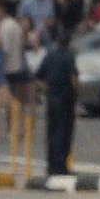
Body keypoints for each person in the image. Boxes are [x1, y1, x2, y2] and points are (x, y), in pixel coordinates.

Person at [39, 20, 78, 176]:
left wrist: (47, 89)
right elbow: (73, 77)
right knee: (64, 133)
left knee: (52, 132)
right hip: (65, 99)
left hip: (52, 98)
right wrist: (77, 94)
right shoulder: (68, 57)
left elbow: (39, 77)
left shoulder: (50, 56)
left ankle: (51, 165)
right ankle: (61, 166)